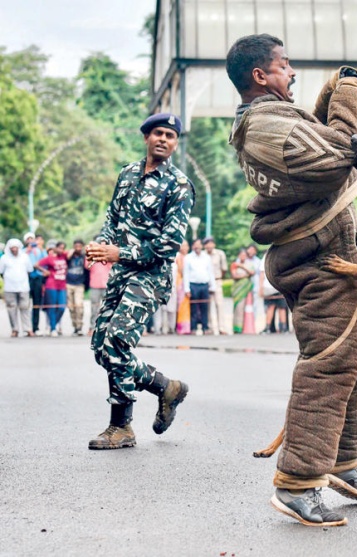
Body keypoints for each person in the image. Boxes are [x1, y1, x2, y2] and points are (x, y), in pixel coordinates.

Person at [228, 33, 357, 527]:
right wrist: (352, 92)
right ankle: (297, 482)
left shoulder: (278, 119)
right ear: (260, 76)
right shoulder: (267, 126)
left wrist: (331, 92)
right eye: (284, 65)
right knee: (329, 365)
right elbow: (339, 157)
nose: (291, 73)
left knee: (354, 362)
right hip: (317, 259)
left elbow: (320, 146)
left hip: (331, 251)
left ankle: (341, 461)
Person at [85, 112, 194, 450]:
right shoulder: (128, 174)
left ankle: (121, 427)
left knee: (117, 343)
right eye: (158, 133)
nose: (164, 139)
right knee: (102, 349)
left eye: (170, 136)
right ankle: (165, 386)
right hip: (120, 274)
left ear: (175, 144)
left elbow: (167, 246)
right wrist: (101, 246)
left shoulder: (178, 185)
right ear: (146, 137)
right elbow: (113, 218)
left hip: (150, 276)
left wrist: (120, 253)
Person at [0, 238, 34, 337]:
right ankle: (14, 329)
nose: (14, 249)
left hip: (23, 287)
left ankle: (28, 329)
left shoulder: (25, 257)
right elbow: (1, 272)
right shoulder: (4, 258)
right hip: (9, 288)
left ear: (19, 248)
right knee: (11, 309)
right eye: (12, 248)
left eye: (16, 247)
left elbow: (29, 270)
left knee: (25, 308)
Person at [183, 238, 216, 335]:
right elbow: (186, 274)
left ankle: (205, 327)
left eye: (199, 244)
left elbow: (210, 272)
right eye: (195, 245)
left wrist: (212, 286)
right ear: (193, 246)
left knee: (205, 307)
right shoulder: (188, 258)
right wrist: (187, 289)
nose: (197, 247)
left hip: (204, 285)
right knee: (193, 307)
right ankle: (193, 328)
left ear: (201, 246)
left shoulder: (206, 257)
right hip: (193, 285)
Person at [35, 241, 68, 336]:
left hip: (62, 285)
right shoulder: (49, 258)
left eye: (63, 248)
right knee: (51, 307)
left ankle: (52, 324)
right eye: (60, 248)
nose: (61, 250)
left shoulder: (64, 256)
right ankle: (53, 328)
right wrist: (45, 271)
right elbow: (36, 265)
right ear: (55, 248)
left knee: (62, 307)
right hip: (51, 285)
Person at [205, 238, 229, 334]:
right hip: (206, 283)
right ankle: (210, 327)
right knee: (208, 305)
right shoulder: (203, 255)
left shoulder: (220, 254)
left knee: (219, 304)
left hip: (217, 280)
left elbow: (224, 269)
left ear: (214, 244)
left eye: (211, 243)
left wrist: (218, 278)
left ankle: (221, 327)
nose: (209, 246)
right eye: (207, 244)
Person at [24, 232, 47, 335]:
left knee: (36, 304)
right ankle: (27, 328)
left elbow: (46, 260)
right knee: (25, 304)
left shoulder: (39, 251)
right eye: (28, 239)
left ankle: (35, 327)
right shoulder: (22, 251)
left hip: (37, 278)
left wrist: (41, 248)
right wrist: (27, 251)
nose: (30, 241)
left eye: (32, 239)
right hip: (26, 278)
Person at [230, 248, 257, 334]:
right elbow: (234, 276)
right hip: (238, 290)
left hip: (247, 289)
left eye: (244, 255)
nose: (243, 257)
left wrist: (242, 267)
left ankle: (247, 328)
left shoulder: (249, 264)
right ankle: (237, 328)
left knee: (248, 309)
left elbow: (252, 273)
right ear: (238, 255)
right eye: (241, 255)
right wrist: (246, 275)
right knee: (238, 308)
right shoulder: (234, 264)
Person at [65, 239, 88, 336]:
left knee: (79, 305)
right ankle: (74, 326)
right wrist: (72, 252)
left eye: (80, 246)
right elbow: (66, 258)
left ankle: (79, 327)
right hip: (69, 284)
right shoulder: (70, 255)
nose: (78, 248)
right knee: (71, 307)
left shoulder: (85, 256)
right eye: (76, 246)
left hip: (79, 284)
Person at [87, 256, 112, 335]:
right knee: (94, 308)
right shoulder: (93, 260)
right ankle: (92, 328)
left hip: (107, 286)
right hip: (95, 286)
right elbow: (87, 265)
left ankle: (106, 328)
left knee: (108, 308)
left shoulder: (108, 259)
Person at [174, 240, 191, 335]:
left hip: (187, 282)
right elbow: (181, 271)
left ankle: (186, 327)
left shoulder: (189, 257)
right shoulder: (178, 257)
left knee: (185, 306)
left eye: (186, 245)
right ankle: (179, 327)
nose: (184, 248)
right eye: (183, 246)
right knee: (179, 305)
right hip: (179, 282)